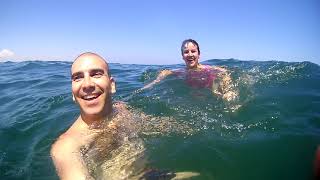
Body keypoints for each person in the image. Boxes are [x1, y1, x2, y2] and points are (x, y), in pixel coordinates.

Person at [50, 52, 121, 180]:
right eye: (78, 77)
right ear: (73, 93)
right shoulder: (67, 147)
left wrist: (158, 80)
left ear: (112, 85)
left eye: (96, 74)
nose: (87, 84)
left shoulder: (121, 109)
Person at [142, 39, 237, 101]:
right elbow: (165, 72)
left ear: (199, 55)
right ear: (182, 56)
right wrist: (153, 83)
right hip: (191, 98)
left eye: (193, 51)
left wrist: (228, 89)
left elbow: (225, 72)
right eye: (186, 52)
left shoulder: (209, 69)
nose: (190, 54)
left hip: (210, 97)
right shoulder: (180, 71)